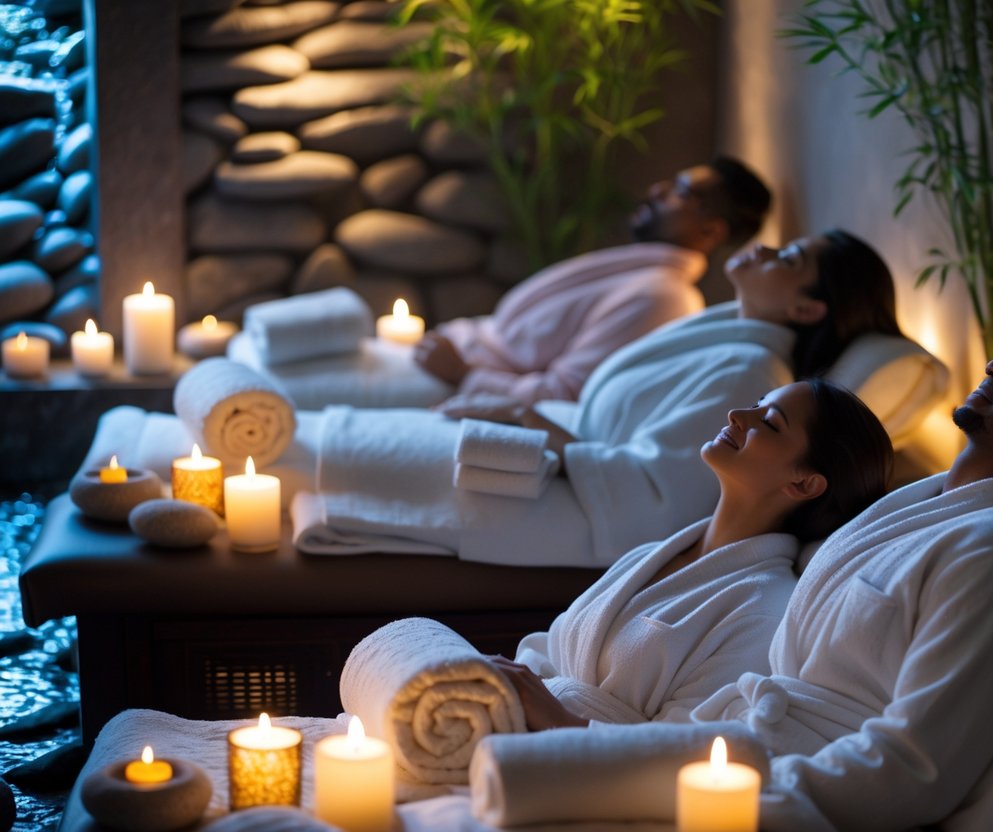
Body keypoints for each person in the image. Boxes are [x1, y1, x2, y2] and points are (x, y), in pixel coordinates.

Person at [687, 309, 993, 831]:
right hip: (742, 744)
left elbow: (914, 771)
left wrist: (742, 802)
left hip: (782, 793)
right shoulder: (928, 503)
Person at [295, 229, 906, 570]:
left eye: (790, 258)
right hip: (558, 442)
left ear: (806, 308)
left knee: (335, 454)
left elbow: (661, 492)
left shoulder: (749, 367)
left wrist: (527, 418)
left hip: (562, 479)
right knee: (337, 444)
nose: (769, 248)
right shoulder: (726, 336)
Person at [487, 379, 894, 729]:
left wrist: (556, 720)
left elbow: (683, 743)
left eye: (768, 423)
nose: (738, 415)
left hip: (572, 772)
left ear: (804, 484)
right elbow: (546, 649)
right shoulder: (652, 554)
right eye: (756, 405)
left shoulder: (766, 610)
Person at [407, 156, 773, 406]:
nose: (657, 190)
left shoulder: (664, 296)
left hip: (453, 383)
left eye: (680, 191)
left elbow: (566, 395)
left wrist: (461, 373)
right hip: (444, 358)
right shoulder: (641, 274)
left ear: (711, 230)